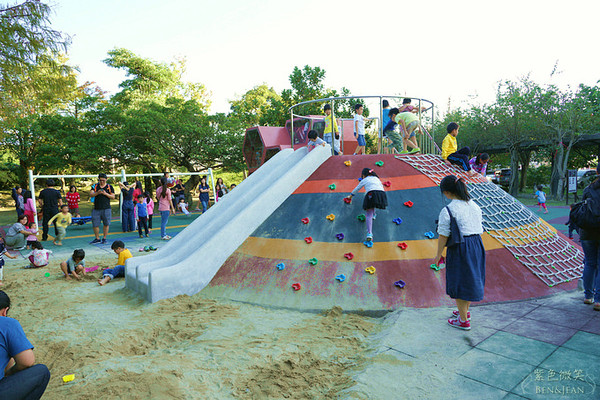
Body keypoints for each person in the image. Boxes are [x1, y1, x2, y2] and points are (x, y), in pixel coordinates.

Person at [433, 175, 485, 330]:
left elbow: (443, 235)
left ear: (447, 192)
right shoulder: (474, 205)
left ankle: (463, 320)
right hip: (477, 245)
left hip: (460, 247)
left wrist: (438, 255)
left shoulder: (448, 209)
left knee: (460, 282)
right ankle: (465, 312)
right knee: (470, 279)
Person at [0, 290, 50, 399]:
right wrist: (10, 372)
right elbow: (27, 362)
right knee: (41, 371)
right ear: (5, 311)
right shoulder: (7, 323)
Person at [345, 168, 388, 242]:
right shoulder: (376, 178)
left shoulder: (364, 180)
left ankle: (369, 233)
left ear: (364, 175)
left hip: (371, 193)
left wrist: (350, 196)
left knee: (368, 214)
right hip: (381, 194)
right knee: (375, 202)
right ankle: (374, 214)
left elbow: (357, 188)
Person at [581, 165, 600, 311]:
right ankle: (598, 300)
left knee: (589, 263)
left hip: (587, 232)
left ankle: (588, 296)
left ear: (597, 171)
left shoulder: (588, 188)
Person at [90, 173, 115, 244]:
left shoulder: (109, 187)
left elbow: (113, 196)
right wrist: (97, 193)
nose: (102, 182)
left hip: (106, 208)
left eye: (103, 180)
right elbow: (91, 194)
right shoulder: (95, 186)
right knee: (95, 224)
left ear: (106, 179)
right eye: (100, 180)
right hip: (96, 208)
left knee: (106, 223)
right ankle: (97, 238)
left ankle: (104, 238)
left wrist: (105, 194)